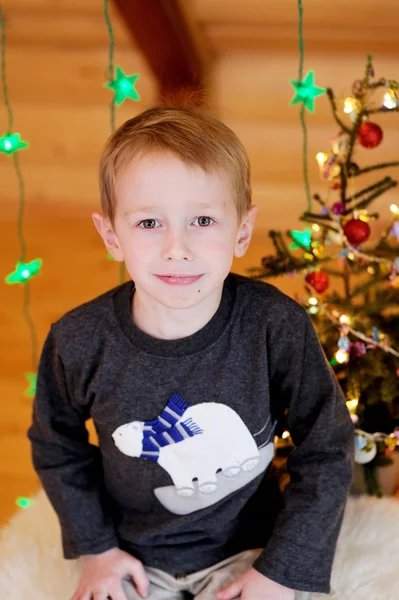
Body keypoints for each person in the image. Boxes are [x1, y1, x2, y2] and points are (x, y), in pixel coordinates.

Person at [28, 106, 354, 600]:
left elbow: (326, 444)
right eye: (149, 223)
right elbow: (57, 445)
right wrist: (96, 550)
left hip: (253, 551)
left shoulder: (274, 324)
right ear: (112, 235)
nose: (176, 248)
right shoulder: (78, 341)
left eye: (202, 219)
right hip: (132, 553)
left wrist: (281, 570)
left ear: (241, 231)